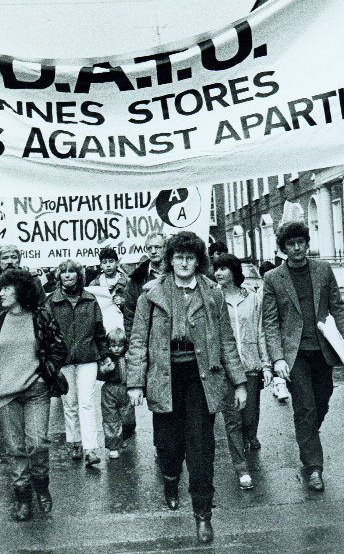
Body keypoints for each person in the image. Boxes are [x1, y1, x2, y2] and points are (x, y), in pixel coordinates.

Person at [127, 231, 247, 544]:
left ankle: (203, 514)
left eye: (189, 258)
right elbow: (138, 340)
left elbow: (226, 340)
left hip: (201, 377)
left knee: (201, 447)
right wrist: (135, 383)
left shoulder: (212, 293)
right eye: (178, 257)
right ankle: (170, 478)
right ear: (170, 260)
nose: (183, 263)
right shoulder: (151, 294)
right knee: (168, 446)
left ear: (198, 261)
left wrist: (239, 382)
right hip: (164, 377)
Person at [262, 221, 344, 492]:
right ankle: (313, 467)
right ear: (283, 248)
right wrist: (277, 358)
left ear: (307, 244)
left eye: (300, 243)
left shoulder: (323, 270)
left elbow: (338, 307)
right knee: (305, 406)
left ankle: (307, 435)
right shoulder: (273, 278)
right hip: (294, 355)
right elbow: (270, 322)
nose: (296, 248)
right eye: (290, 244)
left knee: (321, 401)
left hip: (323, 350)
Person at [0, 268, 68, 521]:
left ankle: (41, 485)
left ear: (21, 291)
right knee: (15, 449)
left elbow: (59, 348)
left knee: (37, 443)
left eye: (6, 288)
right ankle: (23, 499)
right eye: (1, 288)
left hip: (36, 391)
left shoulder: (40, 316)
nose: (0, 293)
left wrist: (44, 374)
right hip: (5, 396)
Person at [214, 253, 271, 490]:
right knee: (232, 420)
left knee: (249, 418)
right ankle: (241, 469)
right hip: (226, 368)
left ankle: (250, 437)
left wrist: (266, 364)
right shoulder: (213, 298)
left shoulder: (252, 298)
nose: (218, 273)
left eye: (223, 268)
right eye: (216, 269)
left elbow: (260, 332)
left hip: (250, 365)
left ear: (234, 271)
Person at [45, 259, 110, 467]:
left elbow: (99, 330)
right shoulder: (51, 301)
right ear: (58, 276)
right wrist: (51, 358)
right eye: (63, 272)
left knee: (87, 402)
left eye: (71, 271)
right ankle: (74, 441)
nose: (67, 275)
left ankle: (90, 449)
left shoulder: (90, 299)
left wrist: (105, 355)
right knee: (70, 403)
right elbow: (46, 332)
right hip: (62, 360)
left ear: (79, 275)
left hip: (87, 357)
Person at [0, 245, 42, 336]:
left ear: (19, 261)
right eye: (5, 258)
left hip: (28, 336)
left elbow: (42, 311)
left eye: (14, 257)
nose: (10, 261)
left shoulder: (33, 282)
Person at [99, 328, 135, 459]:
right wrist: (104, 369)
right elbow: (98, 374)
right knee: (110, 419)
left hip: (125, 389)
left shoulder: (128, 357)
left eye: (120, 345)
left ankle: (124, 436)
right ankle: (113, 447)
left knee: (128, 418)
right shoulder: (106, 359)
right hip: (109, 390)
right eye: (113, 346)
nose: (116, 349)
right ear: (108, 346)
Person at [123, 232, 167, 335]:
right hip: (147, 338)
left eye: (157, 247)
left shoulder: (176, 275)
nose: (153, 251)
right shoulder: (136, 280)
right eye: (149, 248)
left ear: (166, 248)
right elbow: (129, 317)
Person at [258, 260, 290, 402]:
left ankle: (280, 386)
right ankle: (278, 385)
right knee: (272, 358)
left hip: (276, 329)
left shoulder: (280, 289)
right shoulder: (260, 293)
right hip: (265, 329)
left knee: (278, 356)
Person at [89, 247, 129, 312]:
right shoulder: (94, 285)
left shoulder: (127, 282)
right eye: (104, 262)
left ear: (117, 263)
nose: (108, 265)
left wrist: (125, 303)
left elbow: (134, 304)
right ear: (101, 265)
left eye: (111, 261)